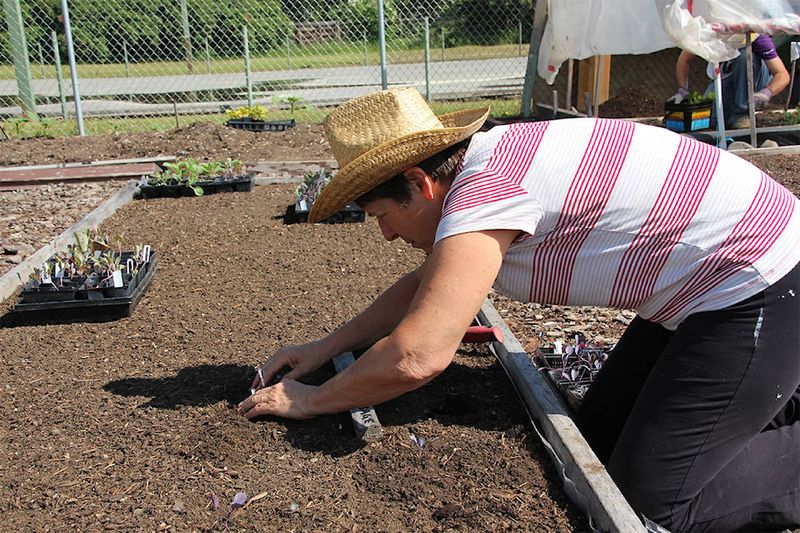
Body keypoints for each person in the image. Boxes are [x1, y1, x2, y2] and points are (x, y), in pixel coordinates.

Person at [237, 87, 800, 532]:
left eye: (383, 215)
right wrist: (327, 347)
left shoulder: (484, 193)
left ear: (418, 182)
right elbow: (427, 287)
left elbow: (417, 356)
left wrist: (313, 400)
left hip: (760, 282)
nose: (385, 234)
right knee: (599, 439)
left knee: (647, 504)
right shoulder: (487, 165)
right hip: (706, 286)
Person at [670, 34, 790, 129]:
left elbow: (782, 75)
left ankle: (742, 115)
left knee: (745, 56)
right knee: (710, 119)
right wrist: (682, 91)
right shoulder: (709, 34)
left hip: (750, 79)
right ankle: (730, 115)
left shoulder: (756, 37)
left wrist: (767, 92)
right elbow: (683, 61)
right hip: (724, 77)